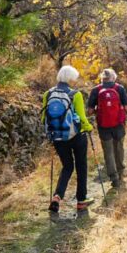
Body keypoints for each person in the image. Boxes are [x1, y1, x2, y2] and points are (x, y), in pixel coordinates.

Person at [42, 66, 94, 212]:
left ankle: (57, 196)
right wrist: (89, 127)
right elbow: (82, 118)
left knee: (67, 166)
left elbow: (43, 118)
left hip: (58, 137)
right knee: (81, 166)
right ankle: (81, 201)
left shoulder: (48, 94)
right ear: (70, 78)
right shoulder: (75, 94)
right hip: (76, 137)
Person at [87, 68, 127, 188]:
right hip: (118, 125)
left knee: (108, 152)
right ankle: (121, 172)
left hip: (103, 126)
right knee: (119, 148)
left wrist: (99, 110)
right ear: (113, 77)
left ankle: (114, 179)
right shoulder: (119, 88)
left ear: (102, 78)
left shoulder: (96, 90)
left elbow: (90, 111)